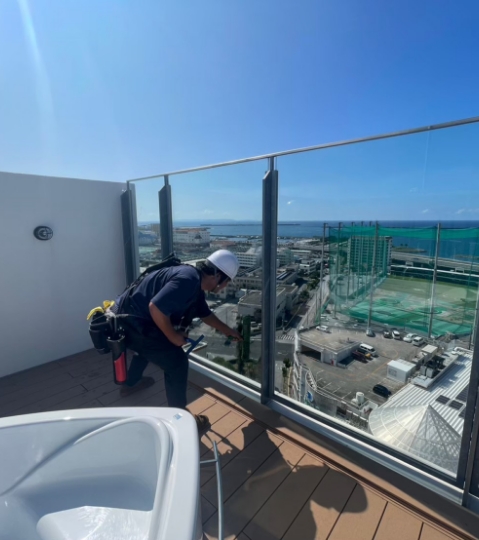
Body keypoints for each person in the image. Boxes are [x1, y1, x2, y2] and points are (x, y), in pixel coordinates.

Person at [112, 249, 242, 431]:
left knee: (147, 350)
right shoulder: (188, 280)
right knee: (177, 363)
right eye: (227, 281)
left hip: (128, 319)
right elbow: (156, 308)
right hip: (134, 324)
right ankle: (180, 421)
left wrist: (228, 331)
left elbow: (205, 314)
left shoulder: (193, 280)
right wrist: (173, 337)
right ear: (217, 276)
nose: (225, 286)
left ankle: (130, 384)